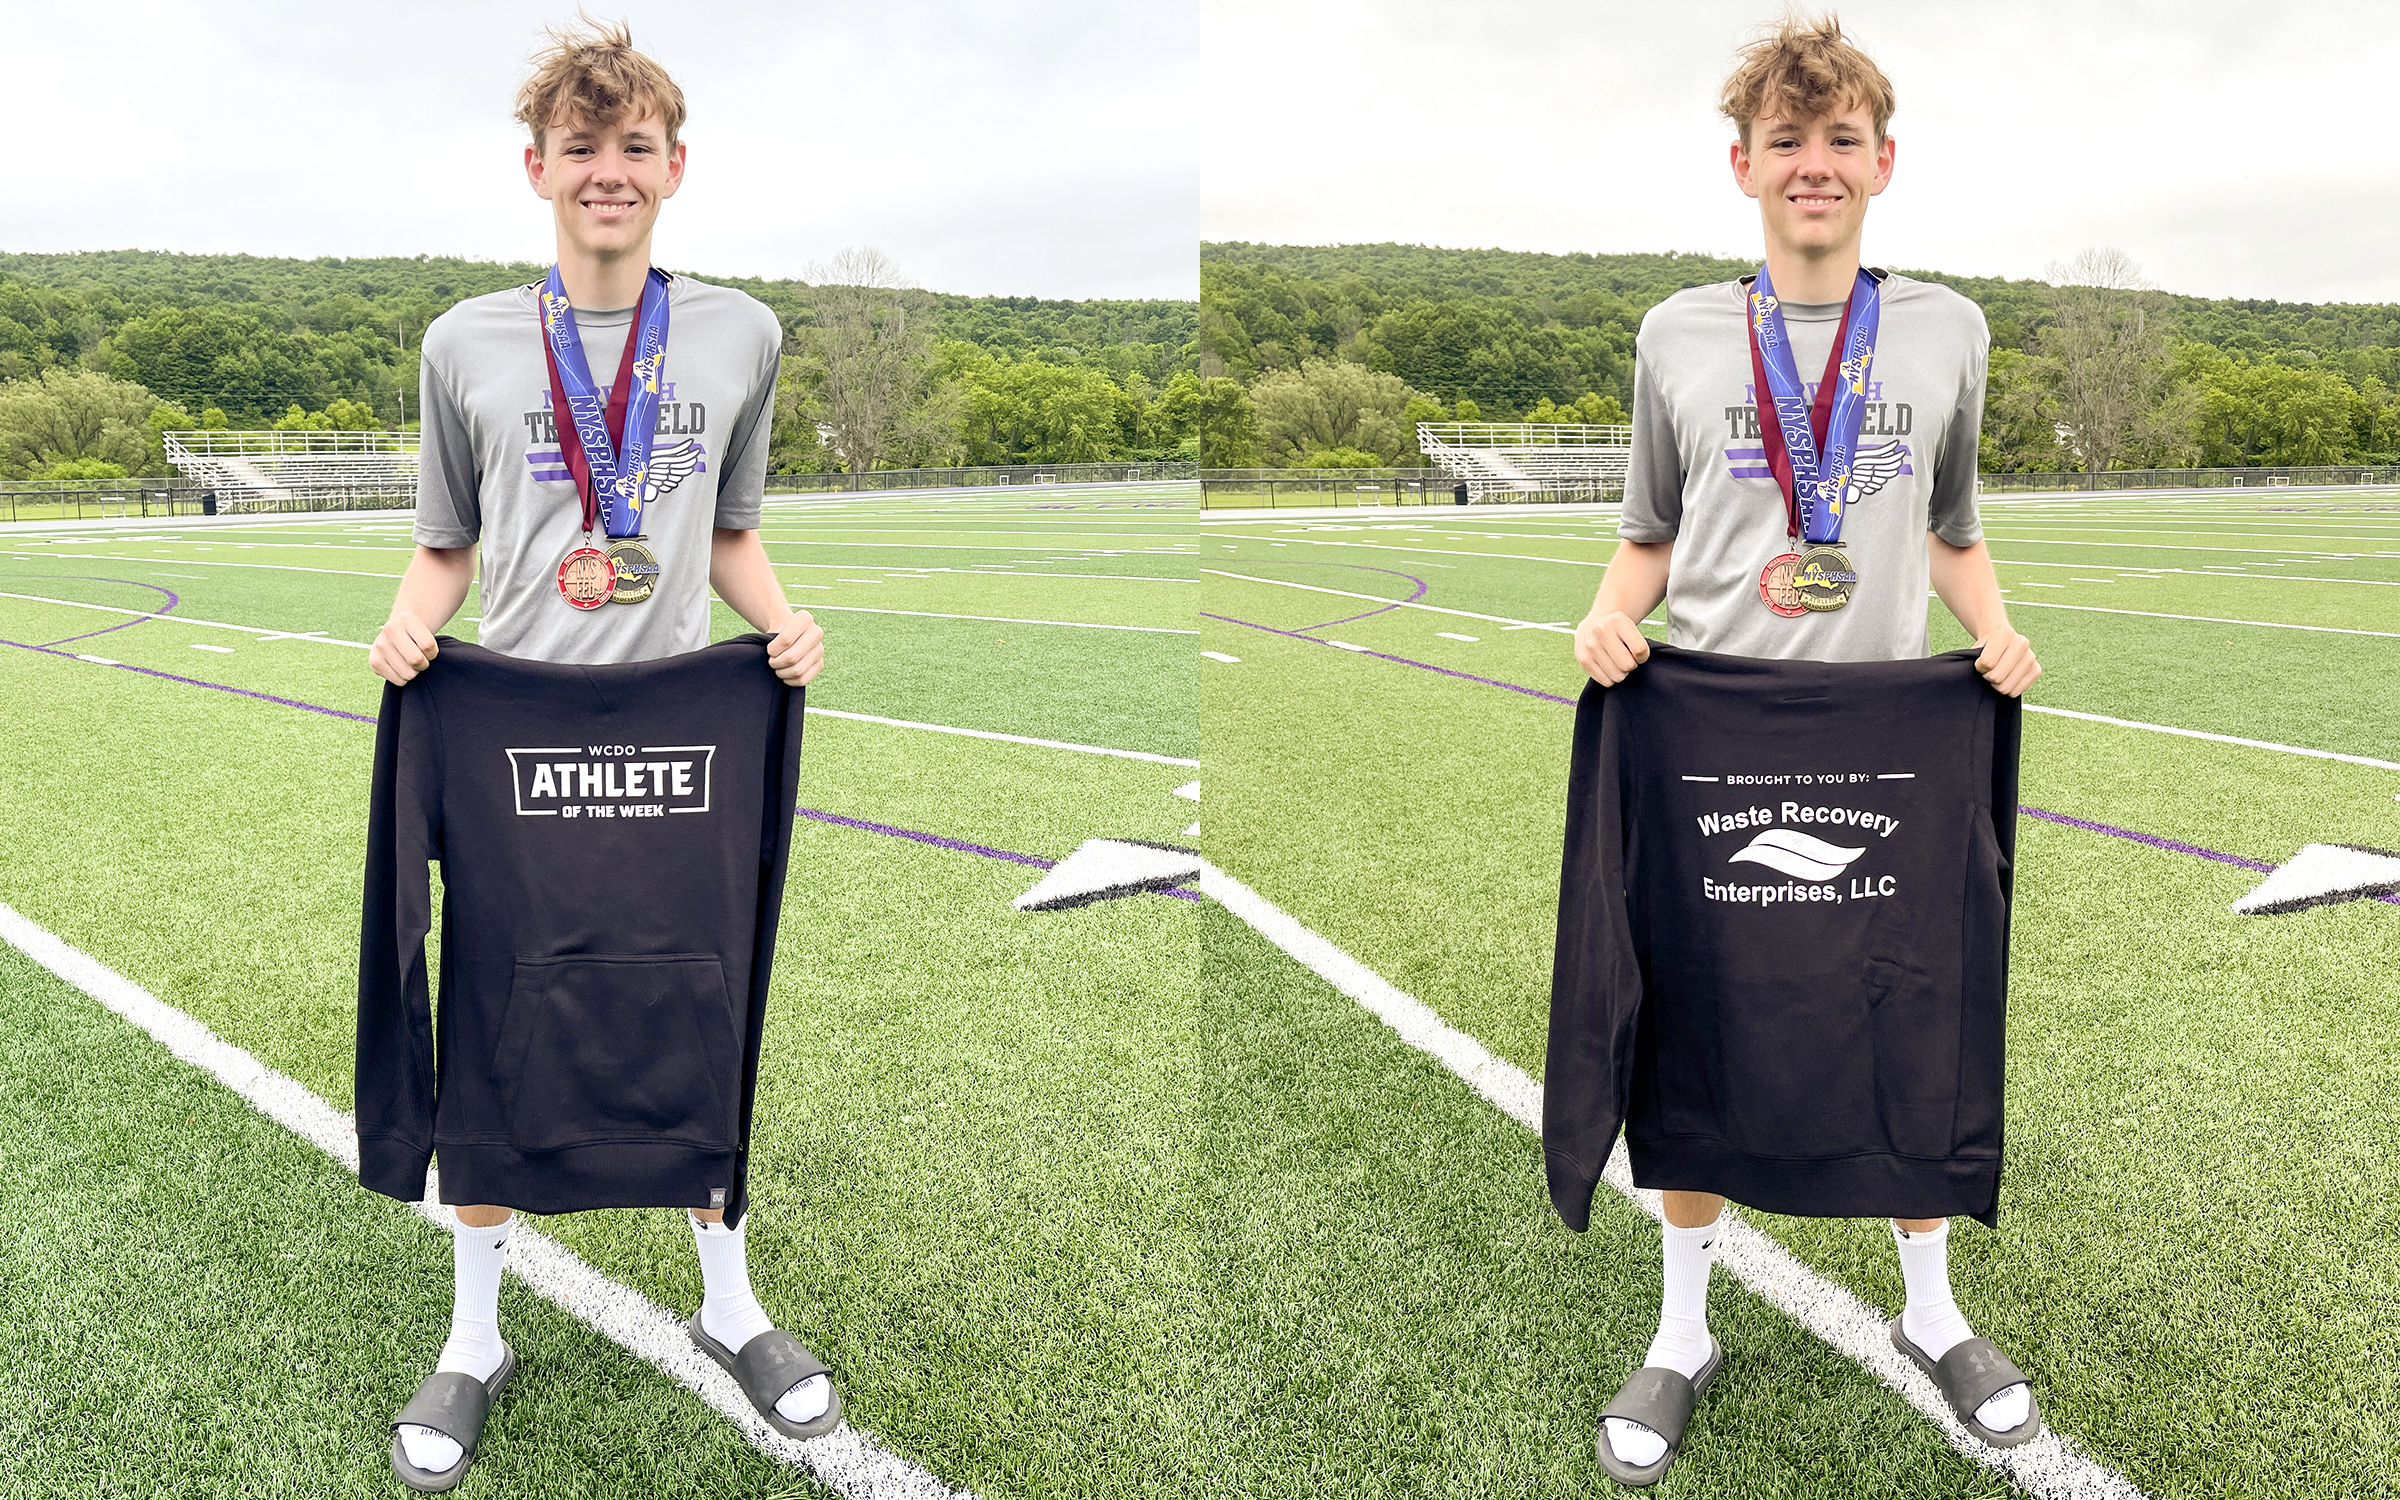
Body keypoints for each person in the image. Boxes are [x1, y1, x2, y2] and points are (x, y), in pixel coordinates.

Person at [1568, 14, 2042, 1487]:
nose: (1814, 166)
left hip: (1888, 738)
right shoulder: (1678, 335)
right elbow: (1649, 534)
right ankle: (1684, 1331)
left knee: (1902, 1014)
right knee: (1698, 1024)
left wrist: (2001, 633)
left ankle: (1933, 1313)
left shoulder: (1951, 328)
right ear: (1743, 166)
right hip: (1708, 736)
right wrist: (1600, 622)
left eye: (1841, 141)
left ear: (1883, 164)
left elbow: (1953, 530)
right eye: (1788, 142)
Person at [365, 20, 827, 1491]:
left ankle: (731, 1310)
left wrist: (786, 622)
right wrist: (399, 633)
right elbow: (445, 546)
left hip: (684, 739)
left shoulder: (742, 332)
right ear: (538, 169)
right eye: (583, 149)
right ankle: (476, 1337)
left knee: (700, 1010)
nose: (608, 173)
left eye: (635, 149)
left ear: (674, 169)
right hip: (514, 747)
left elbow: (734, 536)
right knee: (499, 1028)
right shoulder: (463, 343)